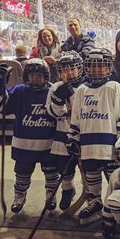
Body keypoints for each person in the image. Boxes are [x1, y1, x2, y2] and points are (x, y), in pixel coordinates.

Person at [66, 48, 120, 225]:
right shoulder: (81, 90)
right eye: (93, 66)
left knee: (115, 182)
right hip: (88, 146)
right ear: (87, 68)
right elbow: (76, 118)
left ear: (108, 68)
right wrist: (73, 138)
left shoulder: (114, 87)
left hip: (110, 147)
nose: (97, 70)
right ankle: (94, 204)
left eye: (101, 66)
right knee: (92, 179)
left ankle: (115, 211)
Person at [0, 59, 58, 213]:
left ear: (46, 76)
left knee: (51, 174)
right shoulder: (19, 91)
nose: (35, 78)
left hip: (49, 145)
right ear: (27, 76)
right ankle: (19, 196)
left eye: (39, 75)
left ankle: (51, 195)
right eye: (32, 75)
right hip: (24, 146)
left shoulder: (52, 91)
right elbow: (1, 106)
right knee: (22, 174)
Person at [46, 51, 84, 210]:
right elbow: (53, 113)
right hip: (63, 135)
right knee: (64, 168)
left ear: (80, 68)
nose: (68, 72)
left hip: (83, 137)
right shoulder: (55, 87)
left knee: (88, 171)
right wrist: (58, 100)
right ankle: (68, 190)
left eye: (72, 68)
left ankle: (92, 198)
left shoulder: (86, 87)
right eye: (64, 69)